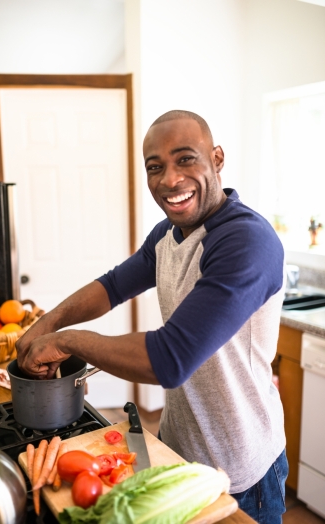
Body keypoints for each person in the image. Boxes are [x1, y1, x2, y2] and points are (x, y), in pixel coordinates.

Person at [16, 110, 288, 523]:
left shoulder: (245, 241)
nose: (169, 180)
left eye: (185, 159)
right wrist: (47, 321)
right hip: (179, 444)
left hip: (241, 467)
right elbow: (111, 287)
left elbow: (169, 359)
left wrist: (64, 341)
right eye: (154, 167)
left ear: (217, 158)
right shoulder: (167, 235)